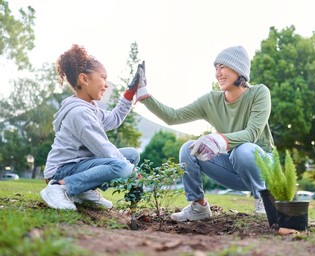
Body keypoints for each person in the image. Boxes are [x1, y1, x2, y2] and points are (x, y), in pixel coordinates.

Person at [133, 45, 274, 222]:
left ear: (238, 70)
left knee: (243, 150)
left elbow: (252, 133)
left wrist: (218, 140)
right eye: (216, 68)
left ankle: (265, 199)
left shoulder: (259, 93)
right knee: (188, 149)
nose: (218, 73)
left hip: (264, 167)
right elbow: (173, 116)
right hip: (234, 169)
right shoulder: (211, 101)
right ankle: (199, 206)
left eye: (222, 67)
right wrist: (145, 96)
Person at [40, 44, 140, 211]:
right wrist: (132, 172)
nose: (106, 84)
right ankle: (58, 188)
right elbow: (103, 148)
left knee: (132, 155)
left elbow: (114, 119)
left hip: (78, 165)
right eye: (103, 77)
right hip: (60, 172)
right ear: (84, 79)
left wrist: (130, 93)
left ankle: (82, 191)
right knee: (123, 166)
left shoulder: (91, 108)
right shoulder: (79, 113)